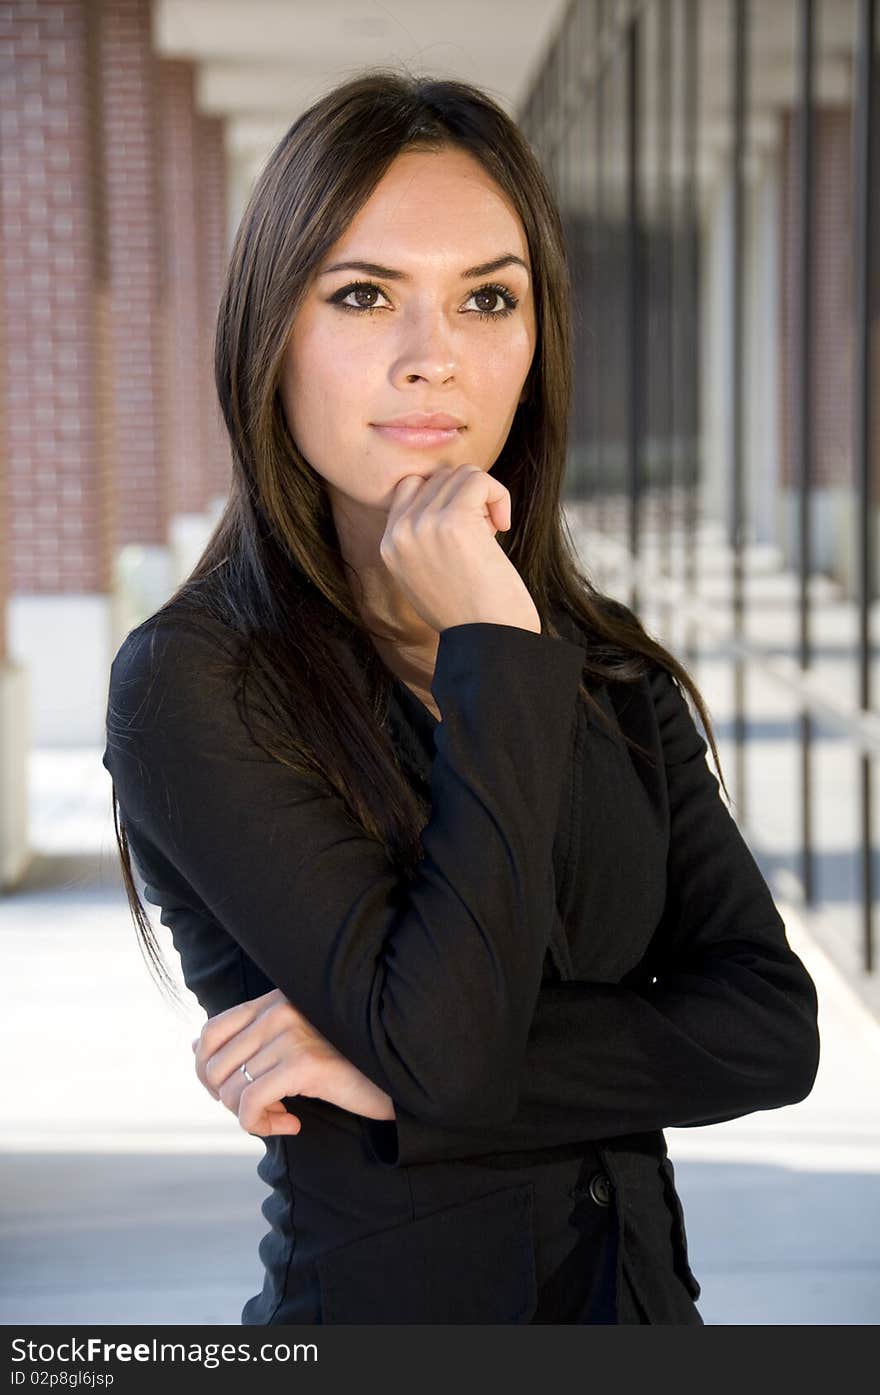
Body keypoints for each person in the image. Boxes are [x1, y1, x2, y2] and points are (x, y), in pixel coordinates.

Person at [102, 69, 820, 1326]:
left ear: (535, 342)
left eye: (487, 297)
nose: (433, 358)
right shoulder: (194, 682)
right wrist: (489, 637)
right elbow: (452, 1049)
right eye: (365, 293)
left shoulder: (601, 663)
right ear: (271, 335)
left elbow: (767, 1028)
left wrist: (393, 1070)